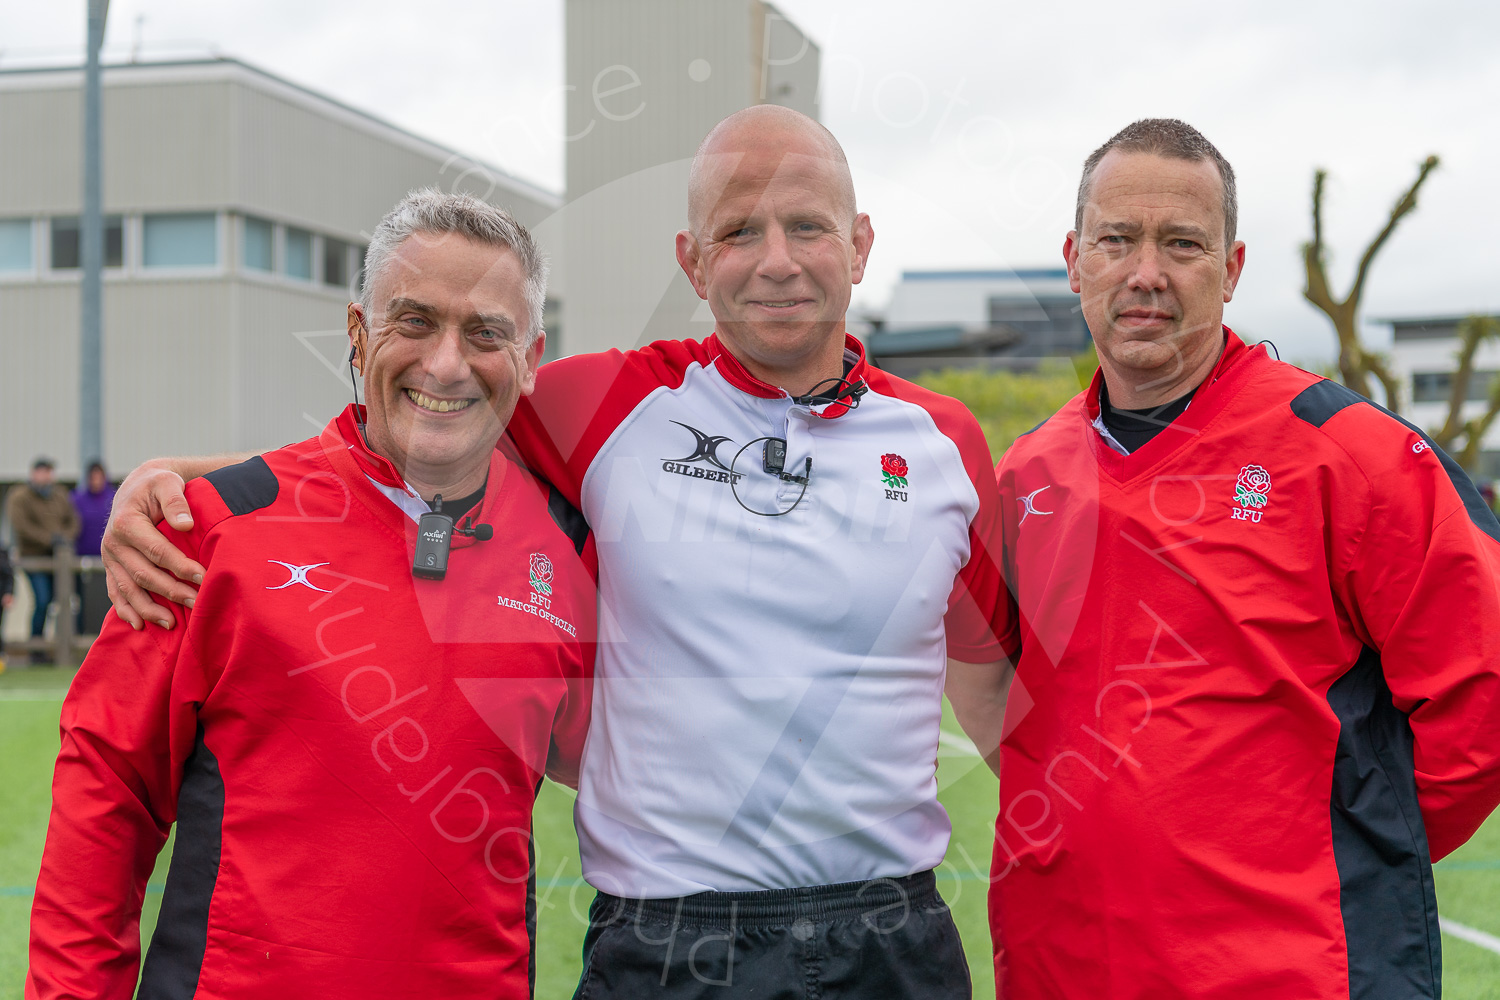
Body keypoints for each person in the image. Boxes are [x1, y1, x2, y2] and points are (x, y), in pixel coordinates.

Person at [101, 106, 1012, 998]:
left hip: (891, 938)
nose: (776, 260)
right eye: (738, 231)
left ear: (859, 244)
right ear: (693, 262)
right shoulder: (602, 404)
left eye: (807, 226)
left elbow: (993, 691)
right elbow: (405, 434)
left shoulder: (945, 442)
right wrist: (186, 481)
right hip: (665, 941)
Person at [28, 191, 595, 1000]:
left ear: (532, 356)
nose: (445, 363)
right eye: (414, 321)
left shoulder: (571, 554)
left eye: (485, 333)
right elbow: (106, 790)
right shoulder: (209, 529)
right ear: (359, 334)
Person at [986, 119, 1500, 999]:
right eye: (1117, 240)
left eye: (1183, 244)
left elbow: (1483, 685)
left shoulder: (1347, 452)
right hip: (1061, 964)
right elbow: (999, 699)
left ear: (1230, 269)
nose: (1146, 272)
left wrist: (1349, 842)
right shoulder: (1025, 475)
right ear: (1076, 260)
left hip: (1293, 970)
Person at [5, 457, 79, 663]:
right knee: (42, 599)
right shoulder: (20, 496)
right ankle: (36, 647)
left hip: (59, 559)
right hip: (33, 558)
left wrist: (64, 538)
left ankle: (52, 648)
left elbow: (73, 520)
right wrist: (50, 539)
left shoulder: (59, 495)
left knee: (60, 602)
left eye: (49, 471)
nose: (45, 476)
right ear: (33, 473)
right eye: (41, 471)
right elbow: (21, 526)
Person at [71, 460, 116, 633]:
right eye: (92, 477)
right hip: (81, 560)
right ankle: (82, 634)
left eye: (99, 476)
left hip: (108, 560)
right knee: (82, 601)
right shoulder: (77, 499)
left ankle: (106, 633)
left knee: (107, 600)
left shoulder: (113, 497)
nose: (96, 480)